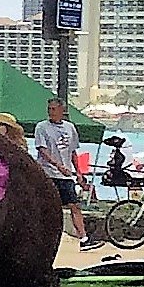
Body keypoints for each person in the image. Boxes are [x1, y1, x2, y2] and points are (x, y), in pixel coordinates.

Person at [31, 97, 97, 247]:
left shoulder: (70, 127)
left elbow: (73, 152)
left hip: (65, 176)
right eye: (49, 109)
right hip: (48, 173)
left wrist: (78, 172)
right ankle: (41, 238)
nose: (51, 112)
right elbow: (42, 150)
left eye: (54, 109)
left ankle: (84, 238)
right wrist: (58, 165)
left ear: (62, 110)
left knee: (74, 205)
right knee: (47, 207)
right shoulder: (42, 127)